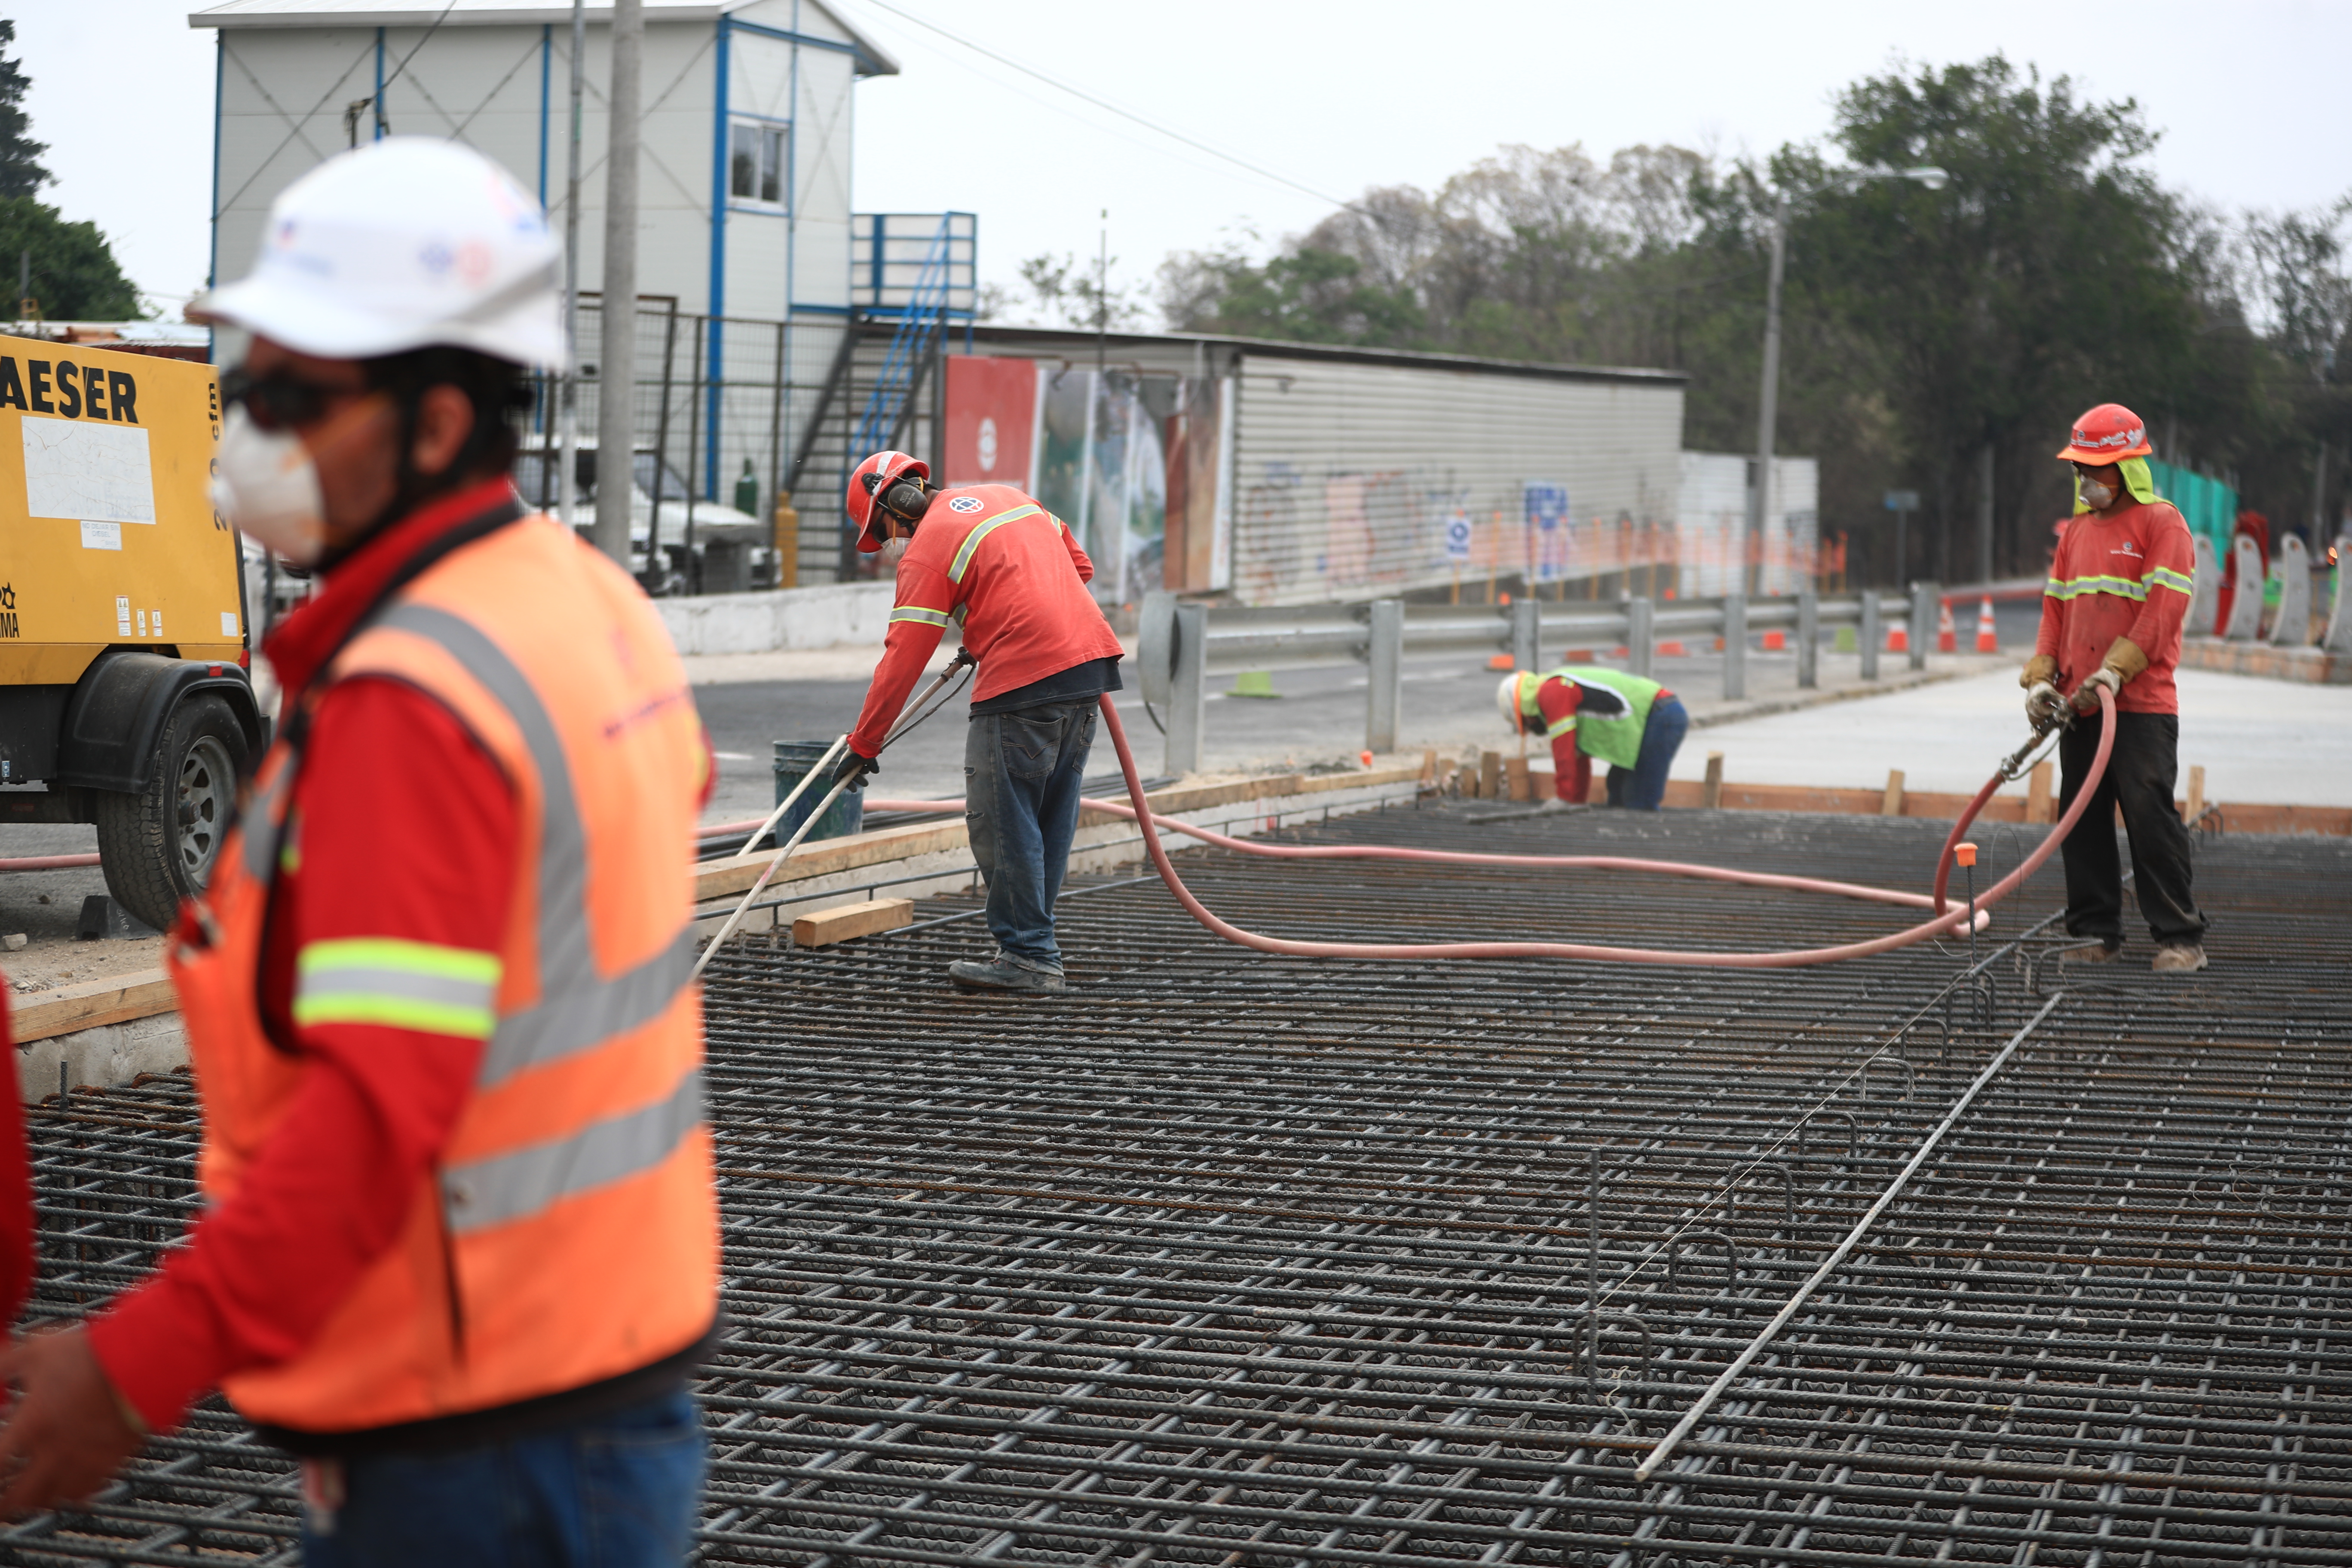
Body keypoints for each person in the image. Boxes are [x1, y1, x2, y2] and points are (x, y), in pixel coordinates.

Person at [0, 138, 720, 1561]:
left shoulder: (416, 695)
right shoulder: (579, 598)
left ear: (436, 424)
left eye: (290, 397)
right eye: (247, 389)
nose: (247, 435)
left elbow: (376, 1116)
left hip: (474, 1419)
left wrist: (138, 1362)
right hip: (594, 1353)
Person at [836, 450, 1125, 994]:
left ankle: (1029, 957)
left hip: (1022, 684)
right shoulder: (1010, 498)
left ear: (897, 502)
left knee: (1003, 820)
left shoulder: (928, 550)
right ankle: (1035, 949)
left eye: (885, 530)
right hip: (1089, 670)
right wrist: (993, 617)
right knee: (1048, 818)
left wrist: (865, 742)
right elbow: (1079, 567)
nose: (894, 540)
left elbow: (904, 656)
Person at [2023, 401, 2208, 973]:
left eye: (2093, 469)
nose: (2084, 478)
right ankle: (2095, 932)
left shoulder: (2162, 524)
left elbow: (2163, 610)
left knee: (2149, 817)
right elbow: (2055, 610)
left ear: (2127, 468)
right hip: (2080, 704)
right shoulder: (2077, 532)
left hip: (2140, 706)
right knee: (2081, 819)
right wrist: (2041, 677)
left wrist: (2117, 669)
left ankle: (2180, 939)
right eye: (2078, 468)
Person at [1497, 665, 1687, 809]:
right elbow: (1577, 756)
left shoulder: (1553, 692)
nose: (1532, 728)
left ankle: (1640, 850)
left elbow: (1564, 750)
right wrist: (1575, 801)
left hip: (1660, 716)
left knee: (1639, 799)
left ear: (1526, 712)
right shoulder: (1557, 687)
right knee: (1618, 792)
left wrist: (1564, 798)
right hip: (1656, 716)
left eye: (1527, 724)